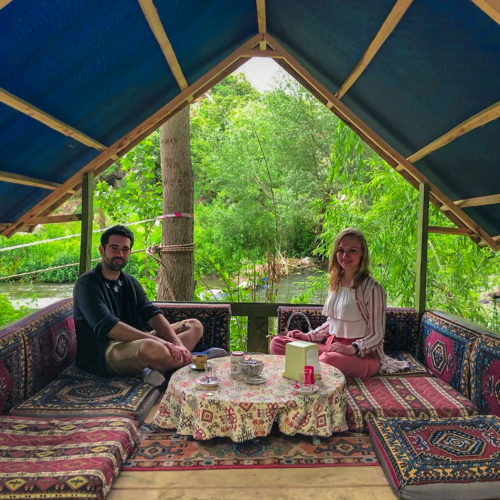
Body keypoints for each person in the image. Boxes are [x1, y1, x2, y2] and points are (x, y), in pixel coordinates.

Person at [73, 225, 222, 385]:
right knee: (151, 346)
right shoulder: (87, 284)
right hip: (103, 351)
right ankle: (198, 360)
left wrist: (177, 345)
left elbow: (152, 314)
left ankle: (154, 367)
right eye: (114, 248)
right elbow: (109, 327)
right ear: (102, 250)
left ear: (129, 252)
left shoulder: (129, 282)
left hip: (134, 343)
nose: (119, 254)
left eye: (125, 249)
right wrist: (163, 343)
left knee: (194, 325)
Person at [270, 228, 408, 378]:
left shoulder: (373, 289)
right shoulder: (335, 283)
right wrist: (308, 337)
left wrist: (352, 348)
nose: (345, 255)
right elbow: (333, 323)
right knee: (277, 343)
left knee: (327, 360)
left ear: (362, 253)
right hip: (332, 346)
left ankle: (308, 368)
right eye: (340, 250)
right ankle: (311, 368)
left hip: (362, 356)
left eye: (352, 251)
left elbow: (377, 335)